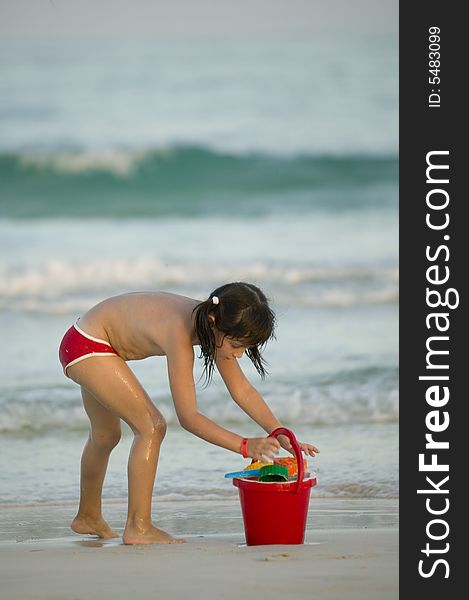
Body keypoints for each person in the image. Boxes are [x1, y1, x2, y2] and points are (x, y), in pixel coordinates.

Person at [58, 282, 319, 545]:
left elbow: (242, 390)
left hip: (82, 340)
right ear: (213, 320)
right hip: (89, 345)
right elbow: (188, 417)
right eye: (238, 345)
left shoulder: (215, 324)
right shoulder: (180, 332)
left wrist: (277, 432)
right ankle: (139, 527)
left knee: (105, 436)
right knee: (152, 426)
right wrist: (244, 446)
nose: (239, 355)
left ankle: (88, 516)